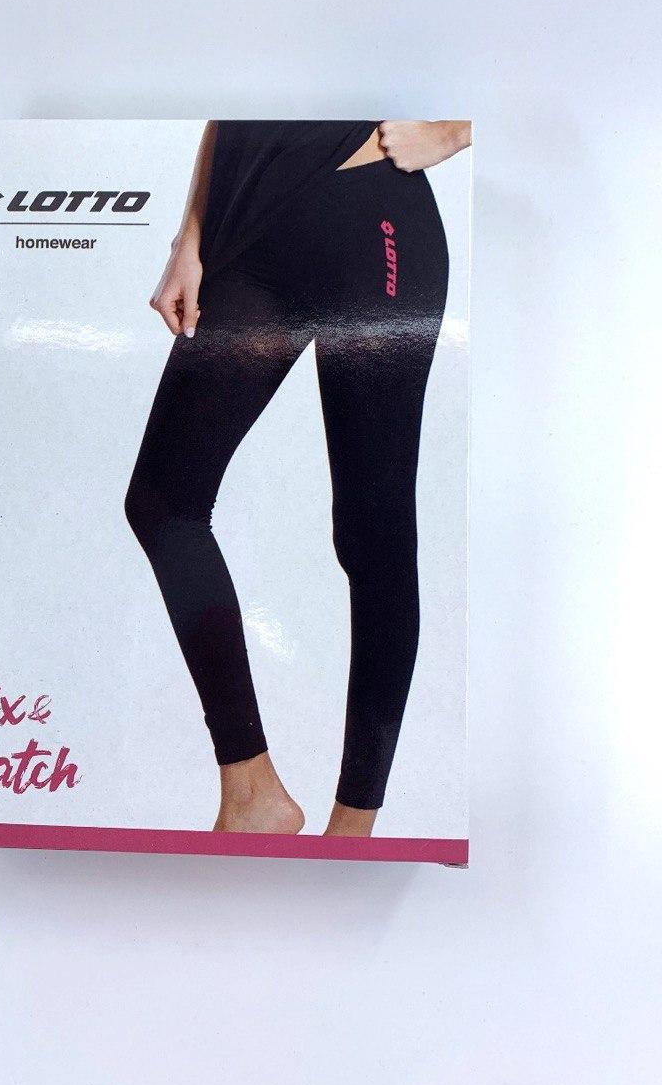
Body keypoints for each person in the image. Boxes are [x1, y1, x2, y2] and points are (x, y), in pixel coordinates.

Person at [124, 119, 471, 836]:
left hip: (370, 219)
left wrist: (454, 129)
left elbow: (556, 69)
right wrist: (189, 236)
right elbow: (230, 97)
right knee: (164, 502)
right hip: (251, 232)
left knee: (372, 539)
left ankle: (353, 832)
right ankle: (251, 791)